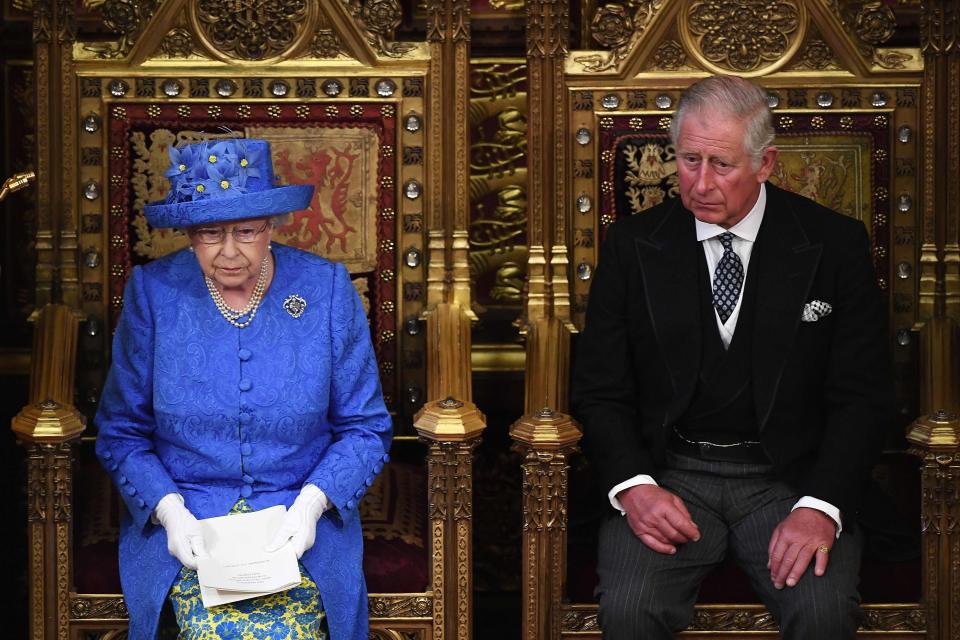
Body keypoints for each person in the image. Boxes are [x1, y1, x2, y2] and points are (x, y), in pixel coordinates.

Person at [571, 75, 893, 639]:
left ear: (765, 164)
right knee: (629, 609)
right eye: (687, 159)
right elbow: (600, 389)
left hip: (789, 478)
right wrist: (633, 486)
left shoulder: (835, 244)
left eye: (721, 165)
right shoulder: (631, 245)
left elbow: (863, 396)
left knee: (821, 612)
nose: (699, 183)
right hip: (670, 474)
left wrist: (820, 506)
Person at [95, 137, 392, 640]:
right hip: (190, 520)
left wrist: (313, 505)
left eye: (247, 232)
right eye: (210, 234)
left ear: (272, 227)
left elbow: (366, 427)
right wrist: (170, 513)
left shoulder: (325, 289)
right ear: (189, 234)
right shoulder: (154, 292)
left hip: (298, 521)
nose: (229, 252)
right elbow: (121, 432)